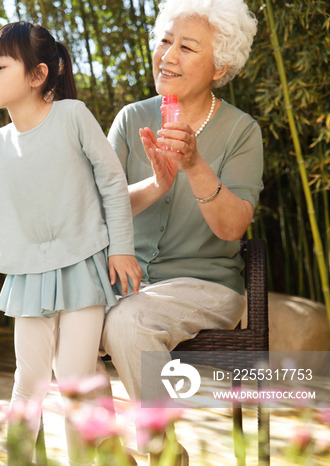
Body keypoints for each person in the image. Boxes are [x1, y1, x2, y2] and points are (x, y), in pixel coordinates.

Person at [0, 22, 142, 465]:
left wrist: (121, 246)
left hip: (83, 265)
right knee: (27, 380)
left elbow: (112, 181)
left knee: (74, 379)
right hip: (28, 275)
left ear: (38, 74)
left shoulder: (72, 115)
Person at [101, 0, 262, 463]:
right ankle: (107, 450)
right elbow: (100, 211)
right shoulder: (132, 119)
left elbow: (232, 227)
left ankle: (163, 451)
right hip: (127, 280)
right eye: (164, 41)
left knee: (128, 322)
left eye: (187, 47)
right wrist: (156, 185)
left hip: (205, 285)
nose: (167, 55)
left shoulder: (241, 131)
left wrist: (193, 165)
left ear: (221, 65)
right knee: (52, 313)